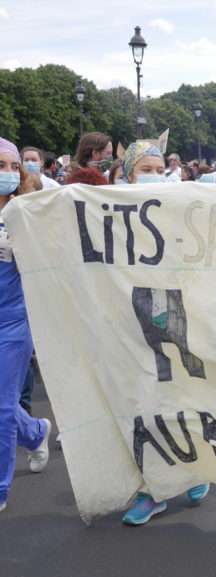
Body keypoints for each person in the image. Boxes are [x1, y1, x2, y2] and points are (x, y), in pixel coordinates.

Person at [118, 141, 209, 525]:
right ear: (127, 172)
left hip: (176, 318)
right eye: (146, 169)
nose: (154, 176)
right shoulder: (103, 207)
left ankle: (195, 467)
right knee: (140, 405)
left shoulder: (180, 205)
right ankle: (151, 489)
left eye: (159, 169)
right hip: (125, 321)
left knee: (181, 396)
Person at [0, 136, 52, 514]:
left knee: (1, 408)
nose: (7, 174)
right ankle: (35, 432)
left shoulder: (27, 211)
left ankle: (1, 490)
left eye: (12, 167)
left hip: (14, 321)